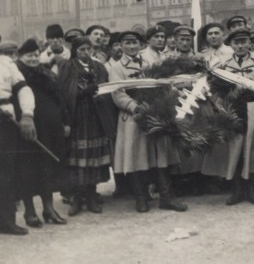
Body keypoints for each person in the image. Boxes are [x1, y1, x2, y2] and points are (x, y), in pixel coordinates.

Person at [109, 31, 187, 213]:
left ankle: (167, 197)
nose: (131, 47)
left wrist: (172, 95)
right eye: (127, 43)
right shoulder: (117, 68)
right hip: (133, 117)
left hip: (154, 113)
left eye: (135, 43)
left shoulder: (149, 64)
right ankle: (141, 198)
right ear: (121, 45)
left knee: (160, 155)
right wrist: (135, 107)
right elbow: (117, 93)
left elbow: (161, 85)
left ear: (140, 44)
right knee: (138, 157)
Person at [203, 28, 254, 205]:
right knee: (234, 148)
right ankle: (237, 190)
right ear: (231, 45)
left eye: (244, 42)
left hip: (252, 107)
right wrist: (220, 105)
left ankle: (253, 189)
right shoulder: (224, 64)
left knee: (253, 147)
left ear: (250, 43)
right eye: (236, 43)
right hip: (232, 109)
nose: (240, 46)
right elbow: (213, 88)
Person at [16, 39, 68, 227]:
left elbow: (59, 99)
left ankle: (49, 209)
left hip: (49, 129)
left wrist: (64, 121)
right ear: (20, 57)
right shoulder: (18, 75)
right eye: (29, 56)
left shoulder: (46, 73)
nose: (33, 59)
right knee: (27, 169)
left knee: (48, 168)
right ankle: (30, 212)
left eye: (36, 55)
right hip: (29, 129)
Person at [58, 37, 112, 216]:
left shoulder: (98, 67)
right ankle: (77, 198)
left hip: (95, 116)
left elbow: (106, 86)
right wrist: (81, 93)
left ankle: (91, 194)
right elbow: (64, 91)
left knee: (93, 157)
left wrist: (99, 93)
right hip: (77, 116)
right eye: (82, 49)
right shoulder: (68, 66)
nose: (86, 52)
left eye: (88, 49)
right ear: (75, 51)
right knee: (78, 157)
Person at [0, 38, 36, 235]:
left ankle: (6, 221)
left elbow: (23, 89)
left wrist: (27, 114)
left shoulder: (7, 63)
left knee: (6, 172)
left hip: (6, 122)